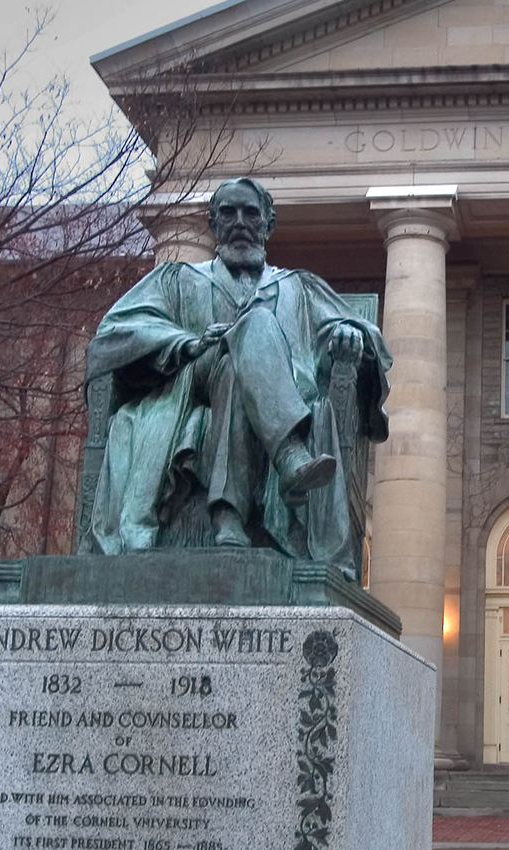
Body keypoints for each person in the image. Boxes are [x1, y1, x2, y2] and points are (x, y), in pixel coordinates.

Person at [85, 177, 390, 580]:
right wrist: (188, 343)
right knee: (254, 325)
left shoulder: (298, 287)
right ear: (212, 224)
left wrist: (353, 336)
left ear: (268, 223)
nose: (240, 222)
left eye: (251, 212)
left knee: (235, 367)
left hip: (247, 389)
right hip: (193, 385)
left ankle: (228, 518)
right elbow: (112, 334)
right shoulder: (178, 280)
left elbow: (370, 337)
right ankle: (290, 456)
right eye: (228, 213)